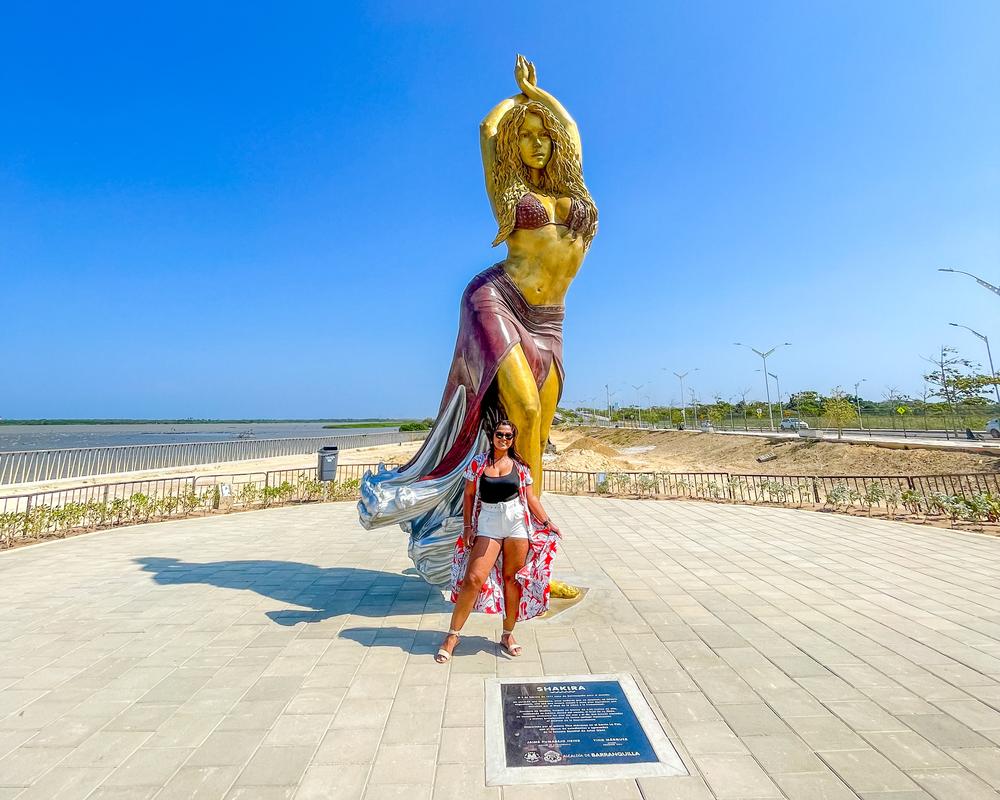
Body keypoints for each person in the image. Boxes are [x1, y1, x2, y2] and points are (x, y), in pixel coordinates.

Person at [358, 55, 597, 588]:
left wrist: (540, 96)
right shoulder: (511, 193)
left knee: (535, 436)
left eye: (544, 136)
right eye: (527, 136)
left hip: (549, 322)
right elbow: (488, 130)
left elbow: (572, 131)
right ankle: (519, 561)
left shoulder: (575, 190)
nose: (538, 143)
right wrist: (517, 98)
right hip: (497, 299)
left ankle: (526, 562)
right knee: (525, 411)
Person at [435, 419, 561, 663]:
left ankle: (507, 634)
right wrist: (467, 527)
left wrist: (547, 522)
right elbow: (469, 494)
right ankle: (453, 635)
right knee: (474, 578)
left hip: (516, 522)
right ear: (492, 436)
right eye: (499, 434)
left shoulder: (520, 466)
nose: (503, 439)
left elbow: (531, 498)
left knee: (512, 580)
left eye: (508, 436)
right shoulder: (478, 463)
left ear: (513, 440)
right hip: (488, 522)